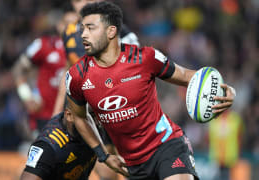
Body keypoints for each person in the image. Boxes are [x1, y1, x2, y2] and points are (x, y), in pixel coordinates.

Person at [62, 1, 236, 180]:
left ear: (111, 31)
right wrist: (103, 155)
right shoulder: (77, 76)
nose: (83, 35)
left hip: (166, 145)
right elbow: (79, 116)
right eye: (82, 29)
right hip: (133, 165)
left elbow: (187, 76)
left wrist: (225, 90)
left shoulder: (145, 58)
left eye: (90, 28)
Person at [52, 1, 140, 180]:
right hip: (83, 113)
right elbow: (68, 72)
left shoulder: (120, 32)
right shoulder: (69, 32)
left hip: (114, 109)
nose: (82, 4)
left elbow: (137, 71)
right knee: (99, 170)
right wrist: (56, 112)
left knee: (128, 167)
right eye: (77, 1)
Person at [12, 11, 69, 134]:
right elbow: (18, 70)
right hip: (44, 116)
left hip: (74, 117)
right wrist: (27, 96)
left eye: (76, 24)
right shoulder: (43, 44)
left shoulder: (87, 50)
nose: (72, 28)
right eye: (67, 23)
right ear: (59, 25)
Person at [20, 99, 98, 180]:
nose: (96, 122)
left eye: (96, 115)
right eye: (88, 116)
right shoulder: (49, 146)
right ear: (69, 115)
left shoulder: (100, 126)